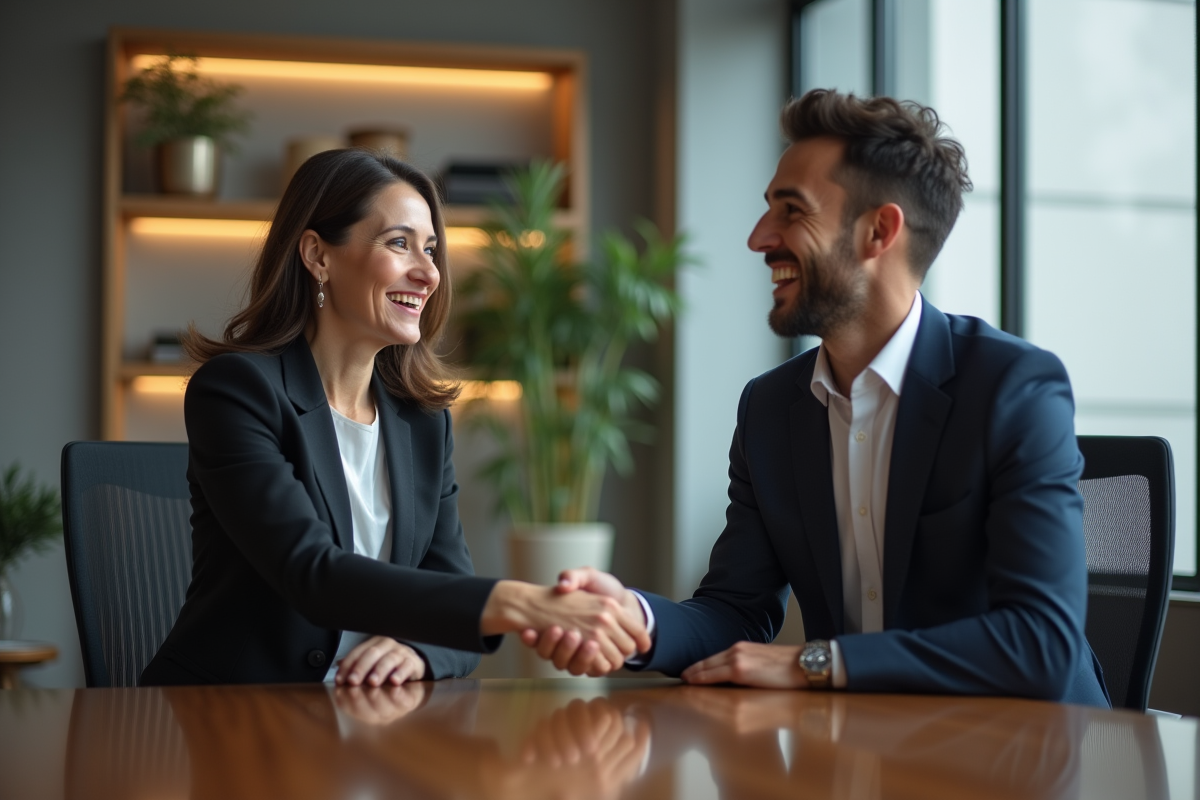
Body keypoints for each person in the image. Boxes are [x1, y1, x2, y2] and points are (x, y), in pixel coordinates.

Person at [525, 90, 1109, 706]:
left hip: (1030, 756)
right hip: (864, 749)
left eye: (791, 211)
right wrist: (638, 621)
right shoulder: (770, 408)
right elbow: (735, 611)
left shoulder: (1013, 387)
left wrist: (815, 663)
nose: (758, 238)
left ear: (879, 231)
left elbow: (1042, 642)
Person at [140, 149, 649, 687]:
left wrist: (420, 650)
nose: (428, 273)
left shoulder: (423, 422)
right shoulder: (238, 391)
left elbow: (450, 594)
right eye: (399, 243)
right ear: (318, 255)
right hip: (230, 719)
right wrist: (523, 602)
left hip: (369, 720)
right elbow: (311, 573)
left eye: (430, 250)